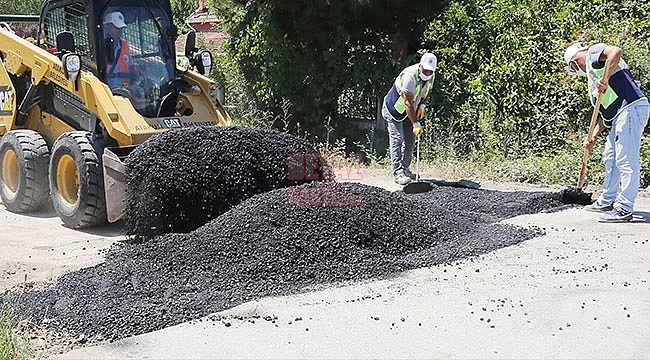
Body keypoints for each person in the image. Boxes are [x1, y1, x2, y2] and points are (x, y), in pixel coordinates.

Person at [563, 42, 649, 222]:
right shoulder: (594, 77)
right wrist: (592, 136)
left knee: (626, 159)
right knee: (610, 157)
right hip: (619, 115)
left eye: (573, 67)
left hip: (631, 108)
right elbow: (606, 115)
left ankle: (625, 207)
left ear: (574, 62)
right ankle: (607, 200)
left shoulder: (593, 53)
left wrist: (606, 79)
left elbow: (616, 51)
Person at [382, 52, 436, 185]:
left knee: (411, 140)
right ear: (420, 66)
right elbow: (407, 103)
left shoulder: (431, 76)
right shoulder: (409, 76)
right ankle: (398, 173)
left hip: (410, 110)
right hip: (394, 110)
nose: (428, 74)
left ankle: (405, 169)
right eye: (426, 71)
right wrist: (416, 124)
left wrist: (422, 105)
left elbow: (428, 92)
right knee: (397, 139)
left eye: (430, 71)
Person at [103, 11, 132, 89]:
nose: (120, 31)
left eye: (121, 28)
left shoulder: (124, 46)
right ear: (107, 27)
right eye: (116, 28)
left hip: (125, 90)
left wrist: (136, 69)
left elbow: (131, 66)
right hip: (106, 92)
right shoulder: (99, 47)